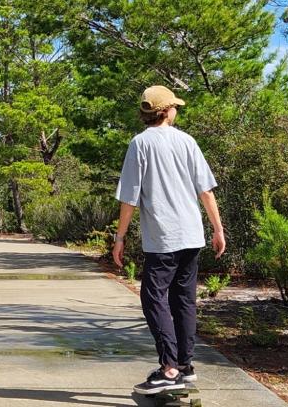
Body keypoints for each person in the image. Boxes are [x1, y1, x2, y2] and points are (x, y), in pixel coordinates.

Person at [112, 85, 225, 395]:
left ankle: (170, 368)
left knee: (153, 298)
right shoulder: (187, 142)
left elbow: (129, 199)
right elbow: (206, 190)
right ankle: (185, 367)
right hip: (191, 235)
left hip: (163, 238)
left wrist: (119, 238)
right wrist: (218, 229)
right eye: (174, 106)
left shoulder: (140, 144)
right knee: (183, 300)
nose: (177, 110)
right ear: (166, 110)